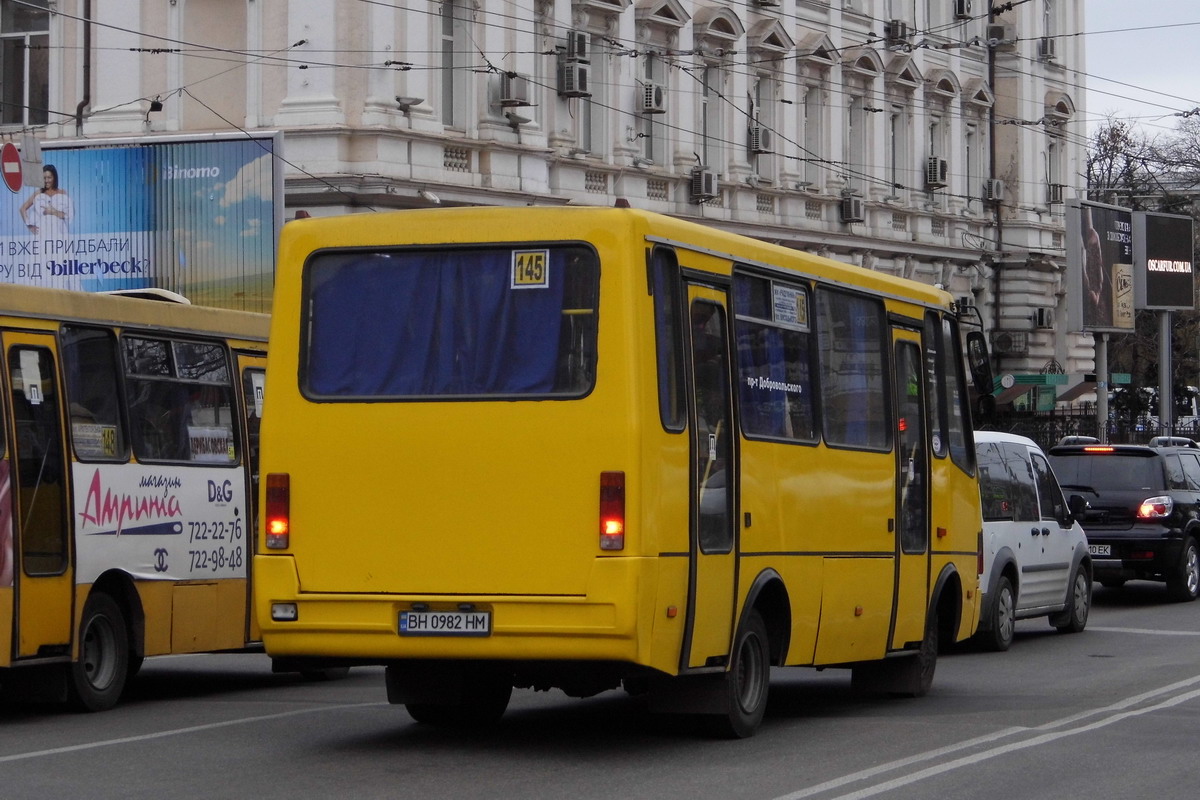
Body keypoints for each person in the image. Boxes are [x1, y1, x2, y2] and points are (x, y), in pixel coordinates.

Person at [19, 164, 73, 239]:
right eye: (44, 178)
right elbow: (22, 209)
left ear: (54, 178)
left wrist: (53, 212)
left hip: (60, 232)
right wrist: (30, 226)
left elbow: (67, 215)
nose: (46, 181)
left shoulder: (62, 193)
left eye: (49, 177)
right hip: (42, 232)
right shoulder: (38, 193)